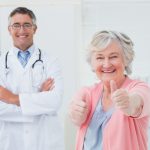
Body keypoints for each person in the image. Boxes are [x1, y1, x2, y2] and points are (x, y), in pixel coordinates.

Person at [69, 30, 150, 150]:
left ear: (126, 59)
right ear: (92, 63)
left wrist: (129, 104)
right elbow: (75, 114)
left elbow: (138, 101)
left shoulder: (140, 87)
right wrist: (76, 114)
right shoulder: (88, 93)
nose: (106, 64)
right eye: (100, 58)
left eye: (113, 57)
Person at [0, 7, 64, 150]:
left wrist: (11, 98)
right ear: (9, 29)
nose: (22, 30)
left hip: (44, 141)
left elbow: (55, 101)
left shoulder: (51, 61)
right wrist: (38, 100)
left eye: (27, 25)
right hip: (10, 142)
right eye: (16, 25)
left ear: (34, 29)